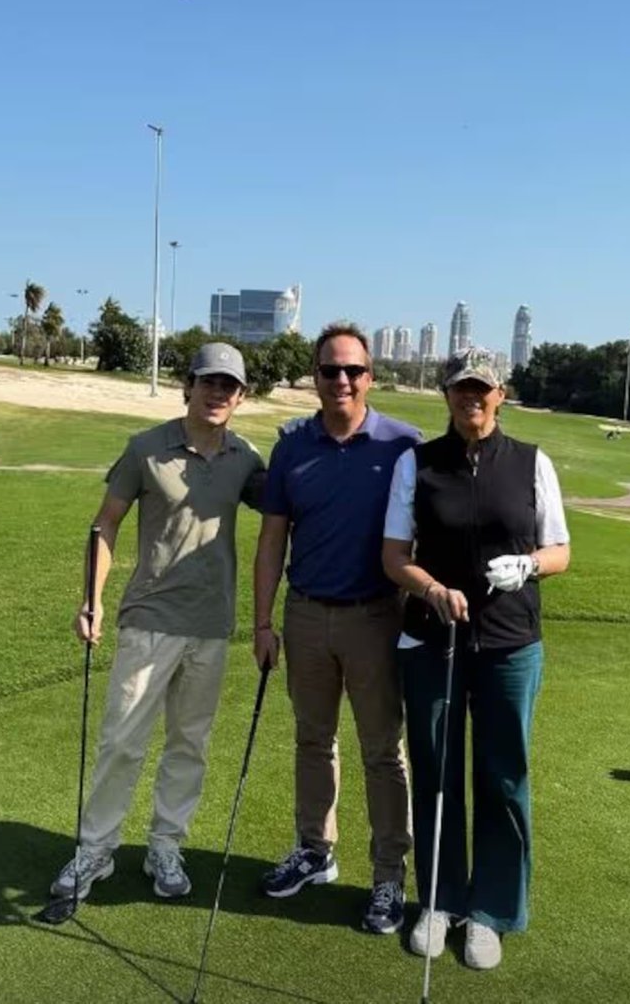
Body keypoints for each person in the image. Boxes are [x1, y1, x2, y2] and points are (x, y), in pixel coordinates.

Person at [50, 343, 265, 902]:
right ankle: (95, 849)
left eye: (229, 386)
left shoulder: (246, 457)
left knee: (189, 745)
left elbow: (289, 508)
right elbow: (105, 526)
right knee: (122, 740)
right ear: (188, 386)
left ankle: (165, 845)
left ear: (241, 397)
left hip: (212, 625)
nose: (218, 393)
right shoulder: (146, 449)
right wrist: (90, 600)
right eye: (209, 382)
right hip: (149, 618)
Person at [382, 349, 570, 969]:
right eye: (462, 388)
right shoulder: (419, 463)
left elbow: (559, 551)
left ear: (501, 394)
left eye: (483, 389)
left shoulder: (532, 463)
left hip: (511, 644)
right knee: (437, 773)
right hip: (435, 640)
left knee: (503, 776)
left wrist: (528, 565)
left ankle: (490, 910)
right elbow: (393, 555)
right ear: (446, 395)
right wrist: (431, 588)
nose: (473, 398)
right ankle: (441, 901)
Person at [253, 322, 420, 935]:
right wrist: (264, 622)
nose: (341, 380)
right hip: (304, 615)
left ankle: (387, 877)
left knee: (383, 751)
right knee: (312, 740)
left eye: (353, 370)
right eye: (330, 370)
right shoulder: (293, 444)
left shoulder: (404, 445)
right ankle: (314, 853)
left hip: (376, 617)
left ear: (371, 377)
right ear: (315, 377)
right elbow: (272, 541)